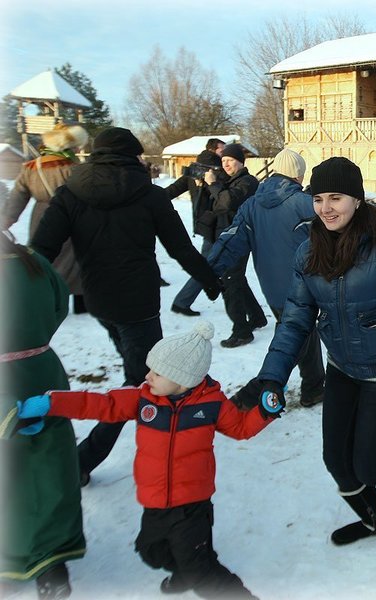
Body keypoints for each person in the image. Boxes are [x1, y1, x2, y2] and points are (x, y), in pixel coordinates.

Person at [236, 156, 376, 546]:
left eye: (336, 198)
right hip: (342, 366)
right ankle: (374, 520)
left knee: (368, 465)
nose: (325, 207)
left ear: (357, 200)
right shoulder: (307, 252)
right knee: (336, 460)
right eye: (318, 198)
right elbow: (294, 321)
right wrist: (271, 377)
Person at [15, 321, 268, 599]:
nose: (148, 376)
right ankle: (184, 569)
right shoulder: (142, 399)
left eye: (157, 372)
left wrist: (265, 412)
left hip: (191, 506)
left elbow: (241, 429)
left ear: (183, 380)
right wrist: (52, 403)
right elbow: (98, 403)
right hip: (155, 500)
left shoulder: (212, 405)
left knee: (201, 571)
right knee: (152, 552)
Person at [30, 126, 221, 485]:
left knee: (141, 368)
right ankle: (81, 461)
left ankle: (181, 413)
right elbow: (180, 248)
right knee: (142, 381)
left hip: (99, 301)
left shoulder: (70, 194)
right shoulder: (148, 195)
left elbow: (42, 251)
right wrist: (210, 280)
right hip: (139, 303)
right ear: (133, 157)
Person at [1, 230, 85, 600]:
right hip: (43, 371)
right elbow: (60, 303)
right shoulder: (32, 260)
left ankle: (16, 555)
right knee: (51, 467)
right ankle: (53, 562)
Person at [205, 148, 325, 407]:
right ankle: (260, 392)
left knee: (303, 334)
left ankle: (315, 385)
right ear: (298, 175)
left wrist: (208, 272)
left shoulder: (251, 205)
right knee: (291, 341)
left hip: (272, 289)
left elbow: (230, 241)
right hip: (303, 288)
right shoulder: (307, 205)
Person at [2, 123, 88, 315]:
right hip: (73, 216)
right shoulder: (75, 167)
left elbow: (18, 196)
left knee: (44, 258)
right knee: (76, 259)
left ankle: (48, 300)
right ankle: (81, 304)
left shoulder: (31, 167)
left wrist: (7, 219)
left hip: (41, 216)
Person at [204, 144, 267, 348]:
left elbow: (226, 202)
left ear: (241, 161)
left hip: (240, 238)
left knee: (229, 281)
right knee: (236, 278)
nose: (226, 164)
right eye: (223, 161)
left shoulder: (247, 182)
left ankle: (241, 332)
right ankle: (257, 317)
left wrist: (214, 185)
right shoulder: (231, 181)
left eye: (230, 160)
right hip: (231, 237)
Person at [167, 138, 225, 317]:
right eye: (222, 150)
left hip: (206, 225)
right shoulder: (215, 173)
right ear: (214, 150)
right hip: (214, 226)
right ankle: (182, 301)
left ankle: (249, 312)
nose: (224, 153)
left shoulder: (194, 171)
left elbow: (169, 192)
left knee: (219, 265)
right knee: (208, 265)